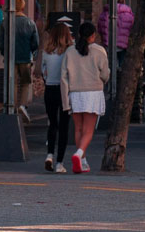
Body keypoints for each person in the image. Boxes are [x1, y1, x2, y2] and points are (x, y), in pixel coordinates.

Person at [62, 21, 110, 173]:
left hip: (75, 92)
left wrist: (65, 97)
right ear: (93, 35)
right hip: (92, 92)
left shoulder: (70, 51)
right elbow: (105, 74)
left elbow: (64, 76)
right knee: (89, 130)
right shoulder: (99, 51)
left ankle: (82, 160)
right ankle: (79, 154)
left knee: (79, 128)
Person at [39, 16, 75, 173]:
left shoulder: (46, 53)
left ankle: (49, 155)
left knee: (52, 124)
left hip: (50, 89)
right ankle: (60, 162)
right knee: (64, 126)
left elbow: (43, 72)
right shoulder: (69, 52)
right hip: (64, 90)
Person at [0, 0, 40, 120]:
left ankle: (13, 105)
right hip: (25, 57)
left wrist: (4, 52)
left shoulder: (5, 22)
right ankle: (22, 104)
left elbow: (1, 41)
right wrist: (32, 52)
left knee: (13, 82)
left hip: (11, 58)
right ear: (23, 7)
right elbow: (35, 42)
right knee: (26, 83)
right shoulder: (30, 22)